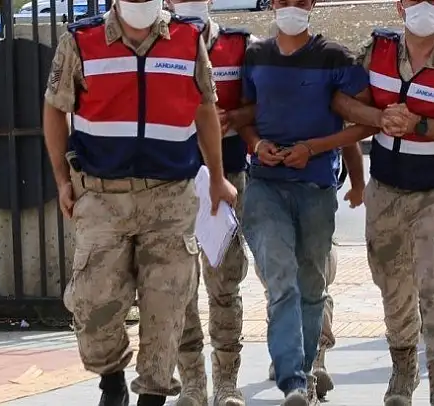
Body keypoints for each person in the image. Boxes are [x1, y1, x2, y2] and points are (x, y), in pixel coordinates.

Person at [42, 1, 237, 405]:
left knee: (167, 307)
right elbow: (55, 108)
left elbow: (205, 108)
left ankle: (152, 394)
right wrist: (62, 179)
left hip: (170, 198)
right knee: (93, 302)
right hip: (102, 198)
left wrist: (218, 178)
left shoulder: (187, 39)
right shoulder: (80, 40)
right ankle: (111, 378)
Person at [308, 0, 434, 403]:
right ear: (399, 7)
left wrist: (420, 124)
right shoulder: (378, 51)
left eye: (433, 0)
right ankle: (403, 372)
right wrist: (378, 118)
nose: (422, 6)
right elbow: (339, 100)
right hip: (388, 189)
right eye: (412, 0)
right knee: (393, 288)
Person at [236, 0, 368, 403]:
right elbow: (245, 118)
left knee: (312, 285)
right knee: (281, 281)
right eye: (283, 1)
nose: (291, 7)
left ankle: (307, 370)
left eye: (300, 0)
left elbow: (366, 121)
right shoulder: (255, 56)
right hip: (265, 186)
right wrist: (257, 145)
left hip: (315, 188)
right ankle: (292, 379)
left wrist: (314, 149)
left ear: (312, 4)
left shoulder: (335, 58)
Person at [162, 1, 257, 405]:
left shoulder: (241, 45)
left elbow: (264, 103)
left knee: (224, 283)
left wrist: (234, 117)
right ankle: (193, 384)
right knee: (179, 287)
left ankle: (226, 383)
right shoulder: (159, 45)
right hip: (175, 180)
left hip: (227, 178)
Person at [259, 154, 365, 400]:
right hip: (280, 186)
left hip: (310, 185)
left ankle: (310, 360)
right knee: (295, 285)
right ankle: (296, 359)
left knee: (308, 285)